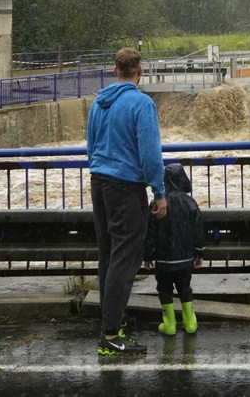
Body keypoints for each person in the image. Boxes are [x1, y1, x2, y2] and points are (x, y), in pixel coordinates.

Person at [87, 47, 167, 356]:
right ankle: (109, 333)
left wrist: (102, 171)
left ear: (114, 71)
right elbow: (150, 154)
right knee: (125, 258)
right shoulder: (141, 104)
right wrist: (159, 193)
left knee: (108, 255)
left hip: (100, 183)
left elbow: (91, 147)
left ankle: (111, 326)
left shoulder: (99, 103)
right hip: (125, 187)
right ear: (140, 71)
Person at [144, 162, 204, 335]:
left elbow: (150, 234)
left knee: (164, 289)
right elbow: (198, 230)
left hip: (163, 260)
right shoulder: (190, 203)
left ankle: (169, 324)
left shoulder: (157, 204)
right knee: (185, 287)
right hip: (185, 259)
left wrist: (148, 256)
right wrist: (199, 252)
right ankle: (190, 322)